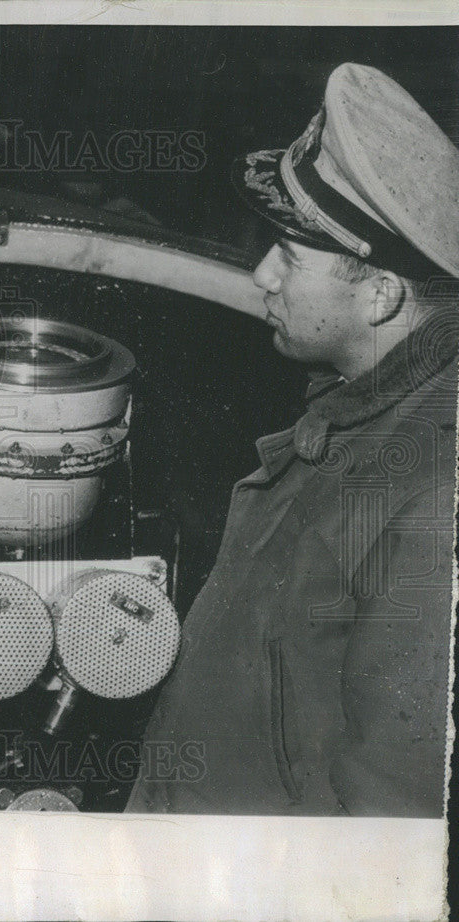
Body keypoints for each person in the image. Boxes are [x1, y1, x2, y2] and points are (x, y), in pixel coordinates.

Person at [126, 63, 458, 816]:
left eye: (291, 256)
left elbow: (389, 822)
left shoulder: (436, 500)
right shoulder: (362, 414)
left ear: (381, 295)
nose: (261, 275)